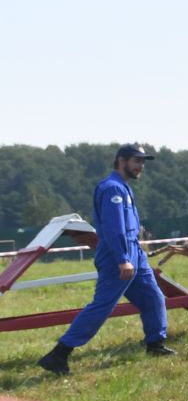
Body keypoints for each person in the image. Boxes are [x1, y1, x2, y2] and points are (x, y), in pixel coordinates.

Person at [37, 144, 173, 375]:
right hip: (116, 254)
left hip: (134, 251)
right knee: (102, 305)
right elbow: (113, 228)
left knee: (153, 297)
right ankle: (59, 354)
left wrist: (134, 255)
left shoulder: (124, 188)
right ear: (121, 160)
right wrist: (122, 259)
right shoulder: (112, 189)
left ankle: (155, 344)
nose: (140, 166)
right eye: (136, 161)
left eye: (142, 162)